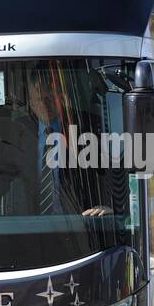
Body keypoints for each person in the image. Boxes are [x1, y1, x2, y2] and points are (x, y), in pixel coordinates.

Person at [26, 70, 111, 217]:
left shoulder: (89, 127)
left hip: (81, 228)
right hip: (28, 230)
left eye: (50, 98)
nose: (46, 105)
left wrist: (110, 207)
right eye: (40, 99)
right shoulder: (18, 132)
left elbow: (111, 175)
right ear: (32, 104)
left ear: (61, 97)